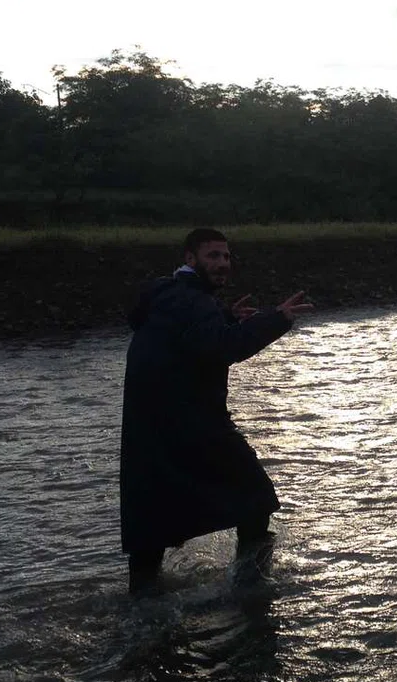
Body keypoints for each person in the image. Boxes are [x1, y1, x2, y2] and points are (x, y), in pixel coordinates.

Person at [120, 228, 313, 596]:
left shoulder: (164, 293)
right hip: (194, 425)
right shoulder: (195, 303)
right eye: (213, 256)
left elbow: (185, 334)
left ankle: (140, 605)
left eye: (226, 256)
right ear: (190, 259)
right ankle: (251, 587)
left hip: (147, 432)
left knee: (150, 519)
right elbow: (225, 347)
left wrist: (222, 313)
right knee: (257, 499)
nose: (223, 264)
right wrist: (276, 319)